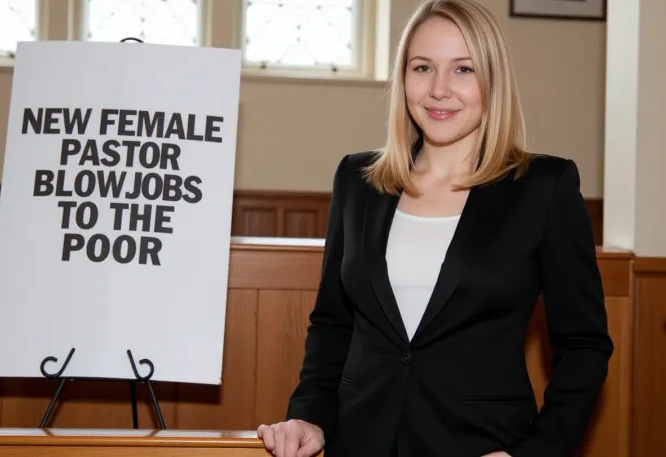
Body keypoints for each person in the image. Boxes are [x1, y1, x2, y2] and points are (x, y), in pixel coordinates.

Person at [256, 0, 614, 456]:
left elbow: (584, 345)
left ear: (492, 80)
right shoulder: (357, 179)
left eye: (463, 70)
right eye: (422, 67)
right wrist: (309, 413)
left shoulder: (544, 188)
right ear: (403, 78)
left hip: (484, 444)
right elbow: (332, 324)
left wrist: (536, 452)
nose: (439, 89)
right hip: (359, 439)